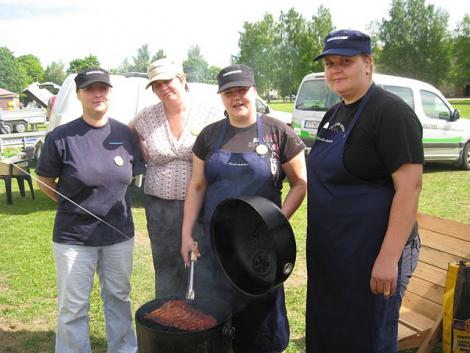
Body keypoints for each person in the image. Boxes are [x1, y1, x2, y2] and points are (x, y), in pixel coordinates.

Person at [305, 29, 424, 353]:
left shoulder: (392, 114)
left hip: (372, 255)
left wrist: (388, 259)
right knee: (331, 333)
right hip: (333, 254)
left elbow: (409, 188)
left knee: (366, 339)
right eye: (330, 63)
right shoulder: (333, 114)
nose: (335, 70)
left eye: (346, 61)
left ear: (368, 63)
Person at [181, 64, 307, 353]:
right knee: (217, 315)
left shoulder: (278, 133)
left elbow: (301, 183)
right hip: (217, 243)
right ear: (221, 97)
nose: (236, 97)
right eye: (228, 92)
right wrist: (186, 233)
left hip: (262, 249)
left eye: (242, 90)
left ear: (254, 90)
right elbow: (197, 186)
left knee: (261, 322)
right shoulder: (210, 136)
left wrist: (274, 222)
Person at [36, 68, 138, 353]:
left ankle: (124, 349)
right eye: (90, 89)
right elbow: (46, 182)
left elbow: (131, 173)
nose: (97, 94)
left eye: (103, 88)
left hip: (119, 235)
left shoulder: (125, 134)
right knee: (73, 306)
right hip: (73, 238)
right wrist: (70, 205)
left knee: (119, 298)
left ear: (109, 92)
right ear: (79, 94)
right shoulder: (60, 137)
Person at [130, 58, 223, 298]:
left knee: (202, 264)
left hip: (202, 204)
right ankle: (168, 319)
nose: (163, 88)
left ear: (181, 79)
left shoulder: (209, 112)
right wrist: (139, 149)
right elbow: (125, 132)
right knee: (165, 266)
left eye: (167, 81)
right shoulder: (146, 118)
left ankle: (202, 317)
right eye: (156, 85)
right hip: (159, 206)